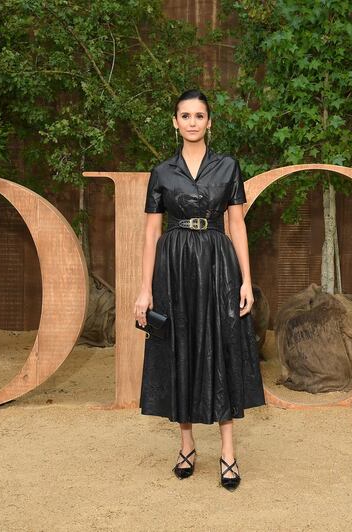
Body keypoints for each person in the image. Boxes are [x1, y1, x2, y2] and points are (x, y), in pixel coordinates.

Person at [134, 89, 266, 491]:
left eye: (199, 115)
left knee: (222, 347)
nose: (192, 122)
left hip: (217, 264)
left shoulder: (228, 167)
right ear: (175, 122)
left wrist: (246, 279)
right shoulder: (161, 172)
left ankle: (228, 452)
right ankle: (186, 445)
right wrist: (144, 289)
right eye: (185, 115)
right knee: (181, 348)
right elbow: (151, 231)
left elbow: (238, 224)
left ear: (210, 122)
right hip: (173, 267)